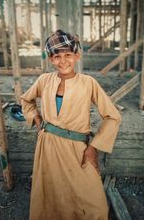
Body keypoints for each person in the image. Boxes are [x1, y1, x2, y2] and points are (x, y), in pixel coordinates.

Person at [20, 29, 121, 220]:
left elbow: (112, 116)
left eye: (68, 55)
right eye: (57, 56)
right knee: (51, 193)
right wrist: (38, 119)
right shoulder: (44, 80)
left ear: (77, 55)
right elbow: (26, 100)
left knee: (92, 199)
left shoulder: (88, 83)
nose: (63, 60)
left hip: (77, 149)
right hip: (47, 146)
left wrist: (93, 147)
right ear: (50, 59)